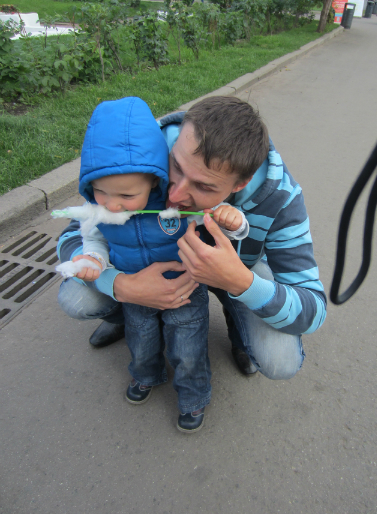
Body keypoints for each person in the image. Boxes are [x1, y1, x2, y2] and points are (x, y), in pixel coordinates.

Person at [57, 96, 327, 420]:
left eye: (203, 186)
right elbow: (74, 234)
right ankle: (123, 316)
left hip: (239, 269)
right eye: (176, 166)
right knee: (75, 298)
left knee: (280, 360)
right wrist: (121, 286)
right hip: (146, 265)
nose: (174, 195)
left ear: (240, 184)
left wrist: (241, 283)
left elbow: (313, 310)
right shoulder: (144, 147)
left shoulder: (283, 200)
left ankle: (238, 328)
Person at [59, 97, 250, 433]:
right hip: (137, 292)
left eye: (126, 196)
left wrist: (234, 220)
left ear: (153, 181)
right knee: (141, 341)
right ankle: (146, 375)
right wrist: (92, 260)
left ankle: (194, 396)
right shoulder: (99, 210)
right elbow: (93, 240)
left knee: (188, 349)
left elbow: (218, 227)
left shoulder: (178, 203)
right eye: (101, 191)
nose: (113, 205)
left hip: (185, 291)